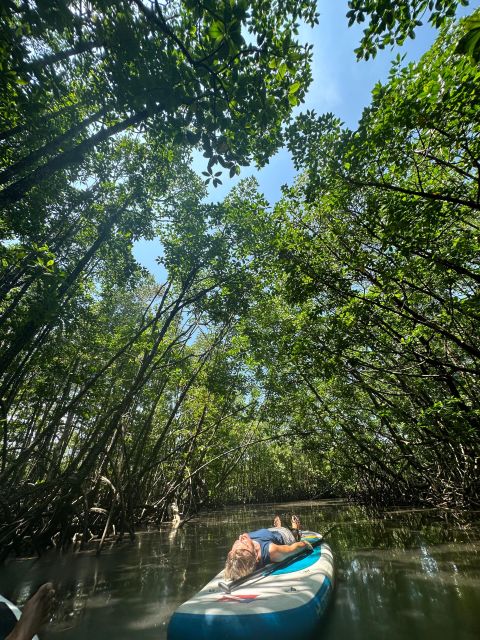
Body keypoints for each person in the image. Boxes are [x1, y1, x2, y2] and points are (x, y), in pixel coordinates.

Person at [224, 515, 313, 581]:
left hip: (269, 532)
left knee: (271, 532)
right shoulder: (272, 551)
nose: (241, 537)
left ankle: (277, 526)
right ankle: (295, 529)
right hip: (284, 535)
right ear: (255, 556)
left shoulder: (237, 553)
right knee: (293, 535)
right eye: (244, 543)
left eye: (237, 542)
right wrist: (304, 544)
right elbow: (293, 548)